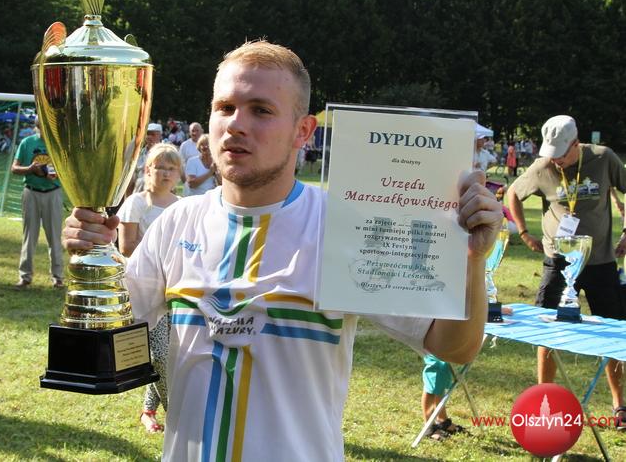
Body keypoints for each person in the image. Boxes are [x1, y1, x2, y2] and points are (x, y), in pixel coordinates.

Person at [63, 40, 501, 460]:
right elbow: (105, 344)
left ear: (302, 131)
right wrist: (89, 263)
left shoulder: (344, 228)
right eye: (225, 107)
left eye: (261, 110)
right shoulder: (177, 222)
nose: (236, 124)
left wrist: (471, 263)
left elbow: (453, 347)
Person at [508, 114, 626, 429]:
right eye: (551, 154)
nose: (556, 160)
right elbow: (513, 194)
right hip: (558, 262)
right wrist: (524, 233)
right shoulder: (543, 167)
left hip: (600, 262)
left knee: (613, 332)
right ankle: (541, 400)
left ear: (576, 143)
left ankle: (619, 405)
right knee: (546, 329)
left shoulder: (603, 158)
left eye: (561, 153)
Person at [116, 143, 182, 434]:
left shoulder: (182, 206)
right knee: (159, 356)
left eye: (171, 168)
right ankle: (177, 415)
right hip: (143, 291)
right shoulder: (136, 203)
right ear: (147, 169)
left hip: (176, 290)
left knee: (171, 355)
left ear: (178, 174)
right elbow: (126, 247)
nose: (165, 173)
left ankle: (148, 410)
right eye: (160, 167)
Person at [10, 119, 64, 289]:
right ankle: (25, 276)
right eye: (41, 126)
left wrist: (53, 174)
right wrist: (30, 169)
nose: (44, 129)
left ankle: (58, 277)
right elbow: (14, 168)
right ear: (37, 126)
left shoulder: (59, 143)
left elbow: (66, 169)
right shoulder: (27, 142)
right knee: (29, 236)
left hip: (53, 192)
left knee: (54, 236)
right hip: (31, 192)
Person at [132, 123, 164, 193]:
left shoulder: (164, 152)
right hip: (139, 187)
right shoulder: (140, 152)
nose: (149, 137)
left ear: (160, 136)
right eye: (148, 134)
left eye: (153, 134)